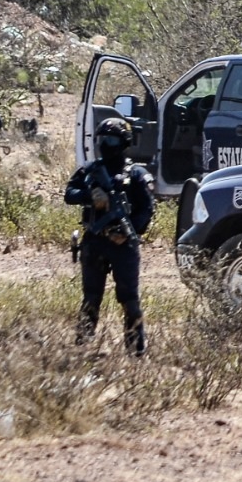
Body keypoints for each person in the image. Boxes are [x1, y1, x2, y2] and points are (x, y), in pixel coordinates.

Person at [65, 116, 156, 356]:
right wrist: (90, 196)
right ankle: (82, 349)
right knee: (91, 300)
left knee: (130, 302)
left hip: (123, 245)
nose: (106, 144)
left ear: (124, 142)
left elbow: (147, 209)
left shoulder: (135, 174)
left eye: (112, 139)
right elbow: (69, 193)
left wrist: (128, 233)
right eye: (103, 139)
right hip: (95, 241)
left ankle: (135, 353)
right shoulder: (90, 170)